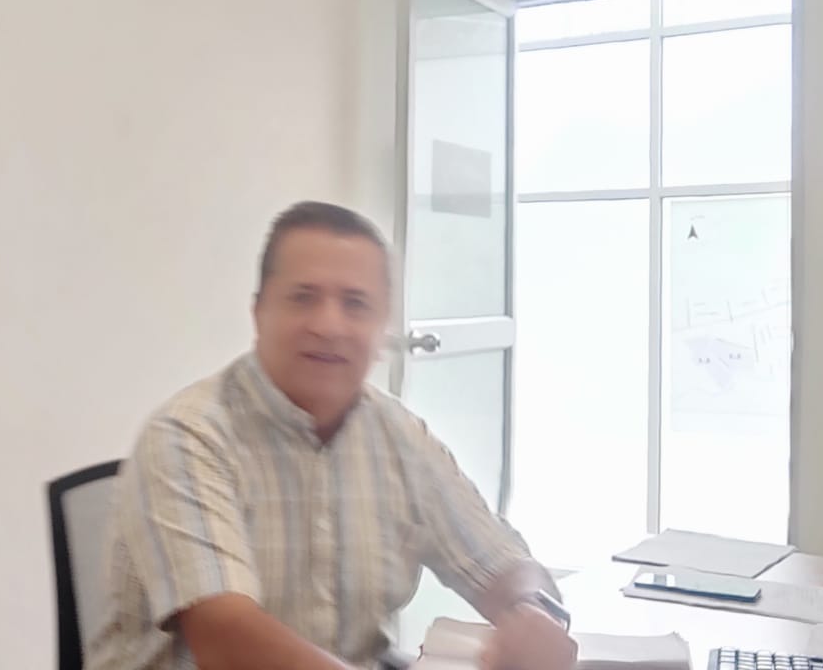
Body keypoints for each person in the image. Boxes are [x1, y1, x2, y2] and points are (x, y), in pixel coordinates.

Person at [89, 201, 577, 670]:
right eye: (303, 297)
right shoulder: (188, 436)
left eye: (355, 304)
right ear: (259, 313)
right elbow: (227, 641)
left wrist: (533, 613)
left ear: (382, 329)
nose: (328, 324)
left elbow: (504, 562)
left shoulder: (399, 437)